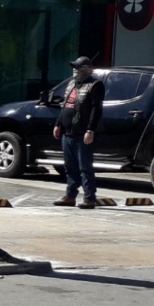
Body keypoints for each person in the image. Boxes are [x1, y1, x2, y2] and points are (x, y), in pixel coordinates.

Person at [52, 56, 103, 209]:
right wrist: (58, 124)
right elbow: (66, 105)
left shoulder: (95, 85)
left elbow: (96, 109)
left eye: (78, 67)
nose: (75, 70)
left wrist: (90, 130)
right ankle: (70, 195)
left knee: (85, 167)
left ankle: (89, 197)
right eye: (74, 67)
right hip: (68, 132)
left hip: (83, 133)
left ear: (87, 68)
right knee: (70, 166)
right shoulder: (71, 84)